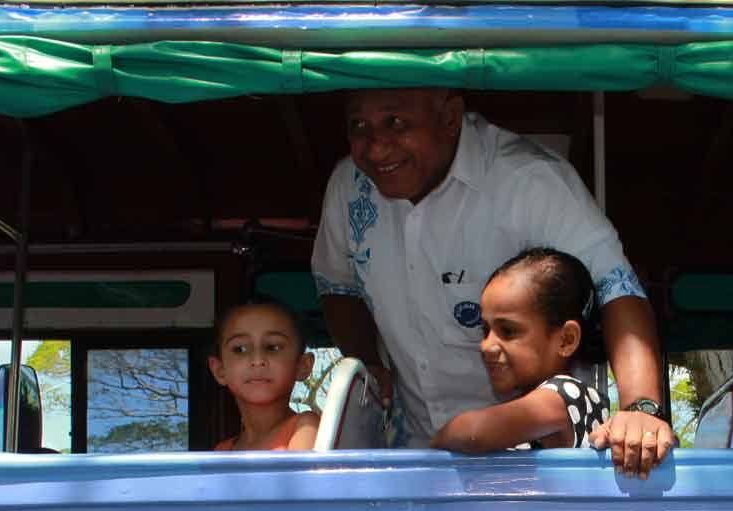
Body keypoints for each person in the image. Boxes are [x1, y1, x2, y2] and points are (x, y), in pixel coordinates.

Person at [311, 88, 673, 478]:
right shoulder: (348, 185)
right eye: (358, 125)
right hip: (415, 459)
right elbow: (338, 287)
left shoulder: (529, 181)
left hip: (531, 478)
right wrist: (368, 363)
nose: (376, 147)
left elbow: (616, 287)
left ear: (450, 116)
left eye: (395, 123)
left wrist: (640, 412)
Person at [431, 248, 608, 453]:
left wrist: (439, 438)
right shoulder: (535, 409)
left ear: (566, 340)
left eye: (507, 331)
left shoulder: (564, 395)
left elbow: (474, 432)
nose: (486, 346)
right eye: (486, 330)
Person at [209, 300, 320, 452]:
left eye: (273, 347)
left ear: (303, 366)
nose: (257, 360)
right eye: (240, 349)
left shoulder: (305, 427)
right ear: (220, 370)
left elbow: (300, 476)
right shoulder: (222, 451)